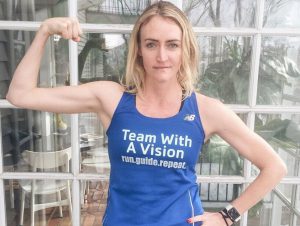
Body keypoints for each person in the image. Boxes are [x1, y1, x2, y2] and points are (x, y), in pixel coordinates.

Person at [6, 1, 287, 226]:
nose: (161, 56)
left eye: (172, 45)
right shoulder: (111, 99)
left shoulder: (206, 110)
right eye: (151, 44)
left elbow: (275, 167)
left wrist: (227, 217)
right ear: (139, 50)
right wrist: (44, 31)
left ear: (184, 49)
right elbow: (19, 94)